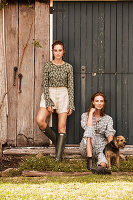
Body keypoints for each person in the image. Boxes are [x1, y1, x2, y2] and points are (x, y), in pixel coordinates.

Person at [36, 40, 75, 161]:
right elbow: (45, 85)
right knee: (40, 120)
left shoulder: (68, 67)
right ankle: (58, 141)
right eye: (55, 50)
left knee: (61, 128)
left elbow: (71, 86)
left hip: (64, 94)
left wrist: (71, 104)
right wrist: (48, 101)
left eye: (60, 50)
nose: (57, 53)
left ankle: (58, 159)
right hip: (50, 93)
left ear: (63, 52)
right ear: (52, 52)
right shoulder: (48, 65)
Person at [80, 92, 116, 174]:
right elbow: (87, 128)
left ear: (104, 103)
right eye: (97, 101)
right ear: (93, 102)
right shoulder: (85, 116)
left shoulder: (108, 118)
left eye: (101, 101)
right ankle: (89, 159)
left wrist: (110, 146)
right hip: (87, 144)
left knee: (103, 157)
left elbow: (109, 132)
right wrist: (90, 114)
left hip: (101, 144)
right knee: (89, 130)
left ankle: (100, 169)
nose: (99, 103)